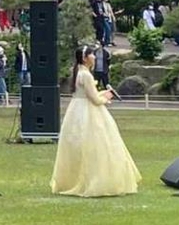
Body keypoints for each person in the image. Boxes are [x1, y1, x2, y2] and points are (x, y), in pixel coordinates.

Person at [50, 46, 141, 197]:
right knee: (99, 144)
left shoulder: (79, 72)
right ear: (85, 58)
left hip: (76, 109)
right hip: (88, 112)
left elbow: (87, 94)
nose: (94, 57)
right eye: (91, 54)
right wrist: (106, 97)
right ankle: (96, 180)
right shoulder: (85, 74)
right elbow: (94, 99)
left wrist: (101, 94)